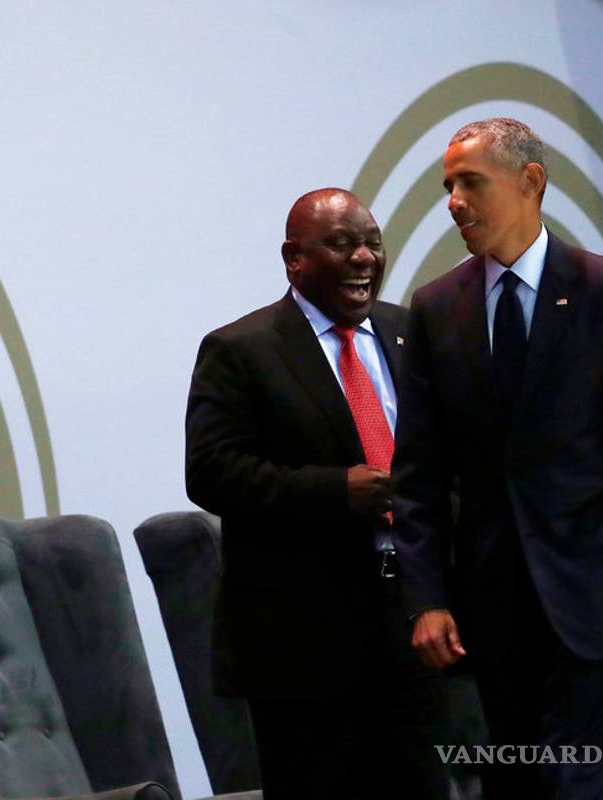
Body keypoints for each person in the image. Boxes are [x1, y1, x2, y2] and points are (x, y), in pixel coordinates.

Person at [392, 117, 603, 798]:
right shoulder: (437, 308)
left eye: (471, 182)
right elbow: (420, 475)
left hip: (598, 603)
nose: (454, 201)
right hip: (492, 614)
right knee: (521, 787)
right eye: (447, 186)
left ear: (531, 182)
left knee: (581, 785)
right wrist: (427, 599)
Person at [186, 187, 450, 798]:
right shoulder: (241, 350)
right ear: (293, 257)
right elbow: (212, 472)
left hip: (414, 627)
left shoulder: (409, 333)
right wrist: (335, 491)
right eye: (341, 243)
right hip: (303, 647)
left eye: (372, 244)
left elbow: (448, 457)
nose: (363, 257)